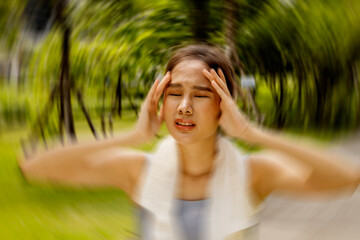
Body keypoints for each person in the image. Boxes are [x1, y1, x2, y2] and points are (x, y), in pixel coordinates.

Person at [20, 44, 360, 240]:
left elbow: (347, 177)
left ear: (222, 107)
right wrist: (132, 136)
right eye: (174, 93)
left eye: (200, 94)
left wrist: (253, 134)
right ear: (160, 101)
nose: (184, 106)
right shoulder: (137, 171)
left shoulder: (252, 173)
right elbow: (36, 166)